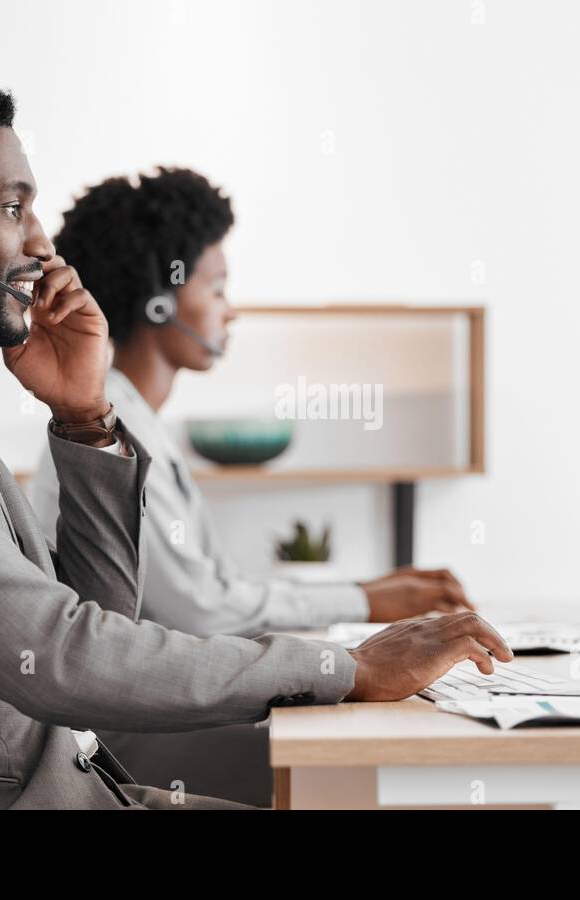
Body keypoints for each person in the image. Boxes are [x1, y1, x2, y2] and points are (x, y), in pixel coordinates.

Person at [0, 55, 511, 810]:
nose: (41, 243)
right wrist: (345, 667)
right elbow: (61, 656)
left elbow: (90, 618)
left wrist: (85, 419)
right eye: (11, 206)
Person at [24, 168, 478, 804]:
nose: (229, 308)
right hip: (126, 745)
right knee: (395, 762)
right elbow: (205, 613)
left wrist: (366, 596)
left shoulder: (135, 419)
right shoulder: (113, 430)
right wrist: (362, 601)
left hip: (149, 718)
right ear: (160, 300)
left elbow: (214, 595)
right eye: (216, 287)